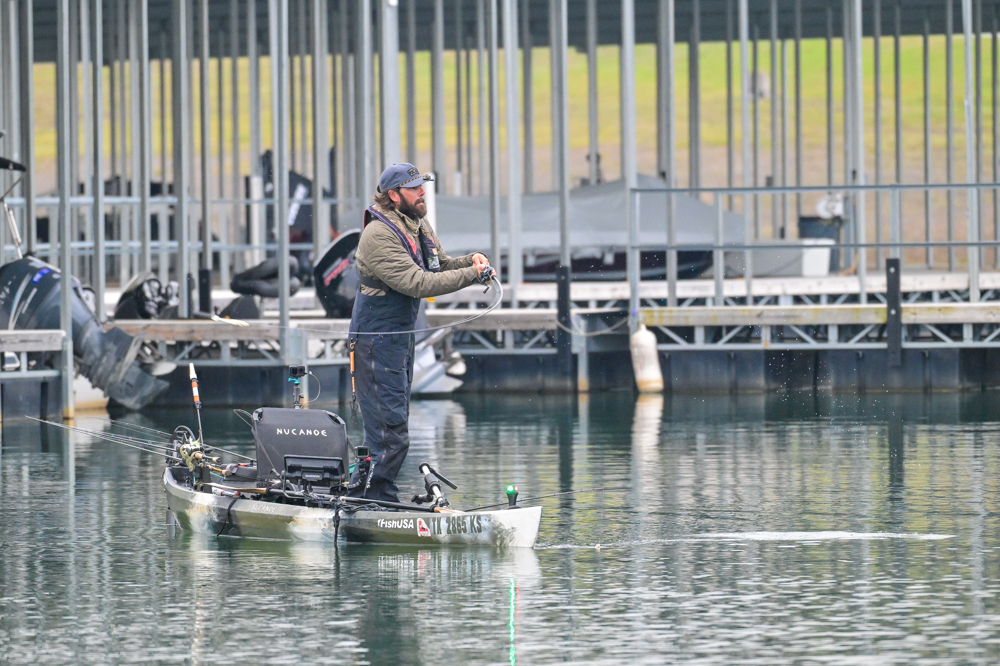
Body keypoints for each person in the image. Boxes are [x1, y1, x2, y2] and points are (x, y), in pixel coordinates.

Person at [348, 163, 490, 502]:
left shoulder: (416, 223)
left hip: (398, 340)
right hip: (375, 343)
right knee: (390, 432)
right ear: (394, 195)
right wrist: (472, 276)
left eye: (421, 185)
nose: (422, 192)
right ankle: (374, 500)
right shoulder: (378, 235)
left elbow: (438, 265)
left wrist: (472, 261)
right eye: (414, 188)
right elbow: (418, 283)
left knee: (392, 427)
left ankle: (372, 496)